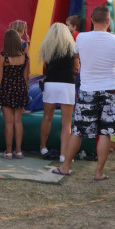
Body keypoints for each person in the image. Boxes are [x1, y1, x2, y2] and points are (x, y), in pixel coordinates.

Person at [53, 6, 115, 181]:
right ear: (108, 21)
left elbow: (76, 57)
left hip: (88, 90)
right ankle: (99, 172)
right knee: (105, 133)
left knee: (78, 130)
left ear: (91, 20)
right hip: (110, 89)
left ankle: (65, 167)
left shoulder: (82, 38)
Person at [38, 22, 78, 162]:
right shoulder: (72, 48)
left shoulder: (46, 48)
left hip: (51, 83)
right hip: (67, 84)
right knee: (66, 122)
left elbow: (45, 68)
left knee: (47, 117)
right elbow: (76, 67)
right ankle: (63, 154)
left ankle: (43, 147)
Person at [0, 29, 30, 159]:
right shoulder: (25, 57)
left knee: (8, 122)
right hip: (20, 89)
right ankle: (19, 151)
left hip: (6, 89)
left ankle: (8, 151)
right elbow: (26, 77)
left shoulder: (3, 57)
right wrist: (25, 91)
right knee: (18, 122)